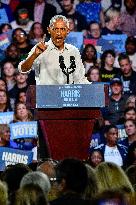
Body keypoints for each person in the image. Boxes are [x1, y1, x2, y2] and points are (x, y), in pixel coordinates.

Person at [18, 15, 89, 85]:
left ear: (67, 31)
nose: (59, 33)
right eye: (55, 29)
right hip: (46, 93)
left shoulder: (74, 51)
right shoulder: (40, 48)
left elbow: (80, 77)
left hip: (66, 92)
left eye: (62, 29)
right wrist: (34, 55)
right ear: (49, 30)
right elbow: (23, 69)